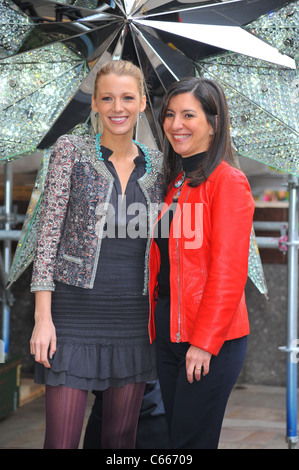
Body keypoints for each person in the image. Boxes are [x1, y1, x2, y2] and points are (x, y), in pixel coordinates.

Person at [29, 59, 164, 449]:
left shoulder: (160, 165)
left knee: (121, 441)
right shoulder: (69, 150)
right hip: (72, 316)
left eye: (126, 98)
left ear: (141, 103)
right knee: (61, 440)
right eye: (107, 98)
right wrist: (43, 319)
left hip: (134, 317)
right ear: (95, 103)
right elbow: (48, 232)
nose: (117, 108)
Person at [148, 77, 255, 449]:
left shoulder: (228, 182)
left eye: (189, 115)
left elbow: (228, 272)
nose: (176, 124)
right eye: (170, 114)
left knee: (190, 442)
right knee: (175, 438)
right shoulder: (174, 181)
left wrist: (205, 343)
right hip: (169, 332)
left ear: (213, 123)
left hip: (209, 339)